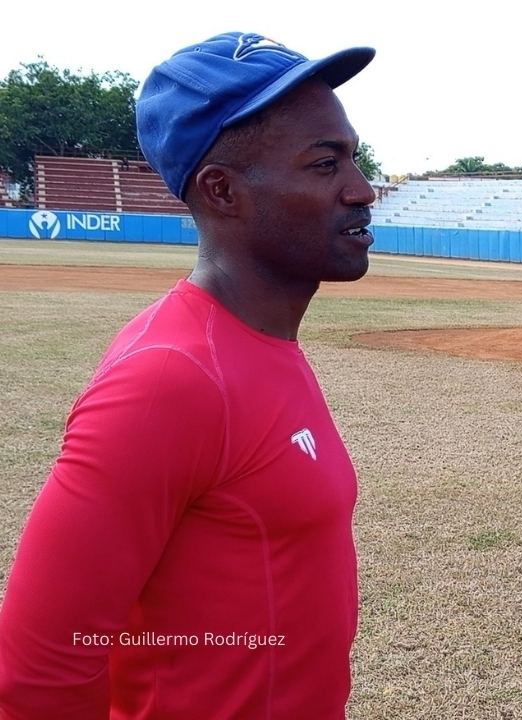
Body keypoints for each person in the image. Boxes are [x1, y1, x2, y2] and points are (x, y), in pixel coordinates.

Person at [0, 32, 376, 717]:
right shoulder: (170, 380)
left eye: (354, 158)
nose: (362, 189)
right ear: (223, 191)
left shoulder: (262, 343)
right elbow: (39, 671)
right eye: (325, 164)